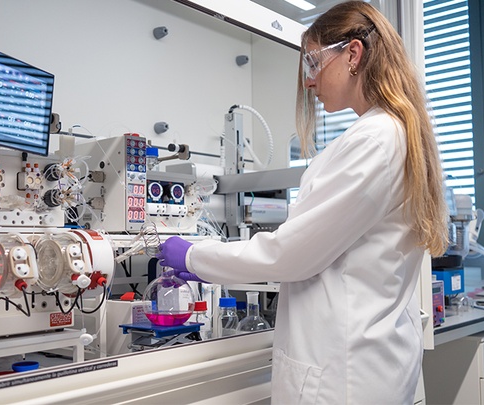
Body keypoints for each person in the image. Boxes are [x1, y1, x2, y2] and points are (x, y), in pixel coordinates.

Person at [156, 1, 449, 404]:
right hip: (374, 362)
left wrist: (193, 257)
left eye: (312, 63)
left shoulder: (374, 140)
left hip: (345, 376)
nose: (308, 82)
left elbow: (290, 254)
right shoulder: (394, 133)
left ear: (352, 54)